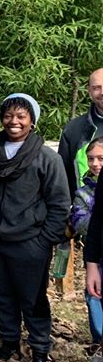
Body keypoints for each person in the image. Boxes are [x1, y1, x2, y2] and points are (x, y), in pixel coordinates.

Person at [0, 93, 69, 362]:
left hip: (29, 241)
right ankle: (9, 341)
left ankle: (39, 350)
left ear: (32, 121)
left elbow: (60, 202)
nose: (14, 121)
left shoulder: (46, 158)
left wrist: (44, 240)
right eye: (9, 115)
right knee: (2, 293)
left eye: (21, 116)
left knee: (32, 297)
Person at [58, 68, 103, 197]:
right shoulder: (73, 129)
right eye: (96, 88)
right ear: (88, 90)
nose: (102, 92)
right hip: (85, 210)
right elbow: (62, 178)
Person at [76, 139, 103, 349]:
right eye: (91, 158)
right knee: (95, 299)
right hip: (99, 256)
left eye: (100, 158)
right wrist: (91, 264)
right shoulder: (85, 192)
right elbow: (92, 225)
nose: (95, 163)